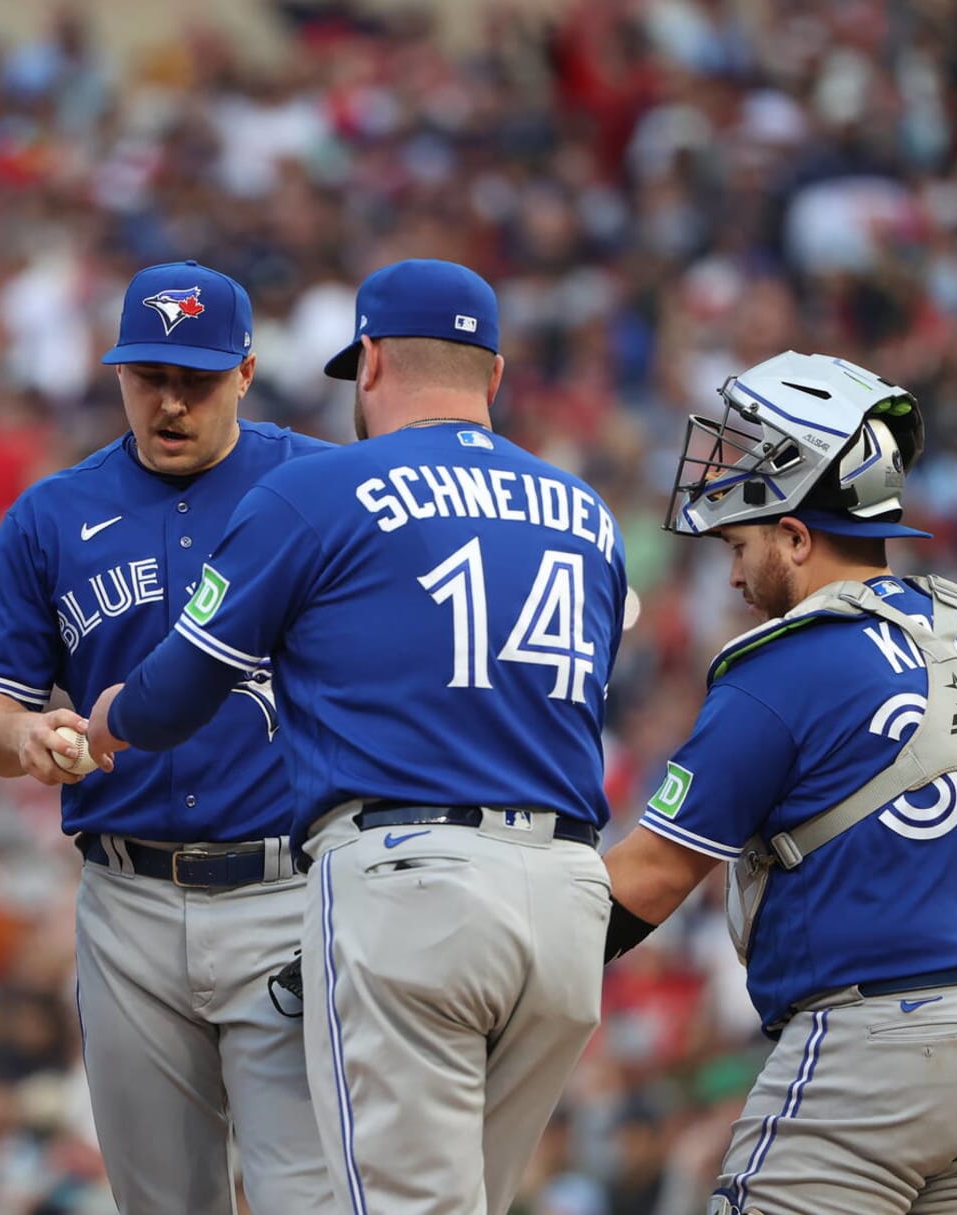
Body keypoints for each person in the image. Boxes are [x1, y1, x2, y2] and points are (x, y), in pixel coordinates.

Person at [88, 259, 629, 1215]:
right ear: (493, 377)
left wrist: (111, 720)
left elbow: (175, 694)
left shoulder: (321, 490)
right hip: (569, 897)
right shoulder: (586, 512)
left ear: (369, 360)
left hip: (413, 884)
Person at [599, 351, 957, 1214]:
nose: (734, 575)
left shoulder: (781, 671)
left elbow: (647, 879)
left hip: (883, 1049)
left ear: (796, 535)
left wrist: (513, 943)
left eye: (741, 544)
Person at [0, 260, 336, 1214]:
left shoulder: (317, 485)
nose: (169, 401)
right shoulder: (52, 513)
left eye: (196, 379)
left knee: (311, 1196)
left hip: (288, 891)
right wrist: (25, 735)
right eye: (147, 375)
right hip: (125, 900)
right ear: (115, 370)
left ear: (246, 372)